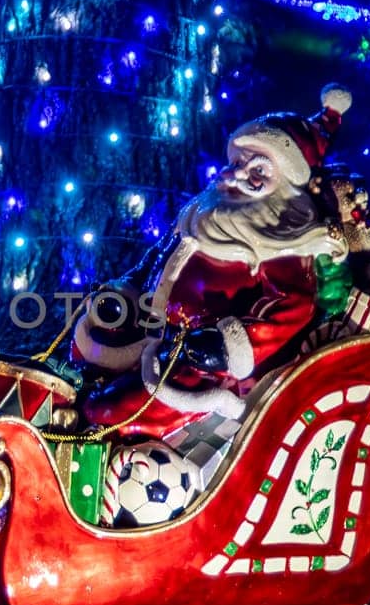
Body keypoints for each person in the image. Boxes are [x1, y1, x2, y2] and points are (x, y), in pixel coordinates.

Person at [71, 84, 353, 448]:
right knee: (86, 357)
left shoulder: (282, 240)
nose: (236, 175)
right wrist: (125, 289)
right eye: (236, 163)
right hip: (150, 331)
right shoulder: (202, 216)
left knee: (110, 411)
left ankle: (107, 450)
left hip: (200, 364)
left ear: (284, 184)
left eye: (257, 170)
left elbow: (291, 308)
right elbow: (158, 259)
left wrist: (225, 345)